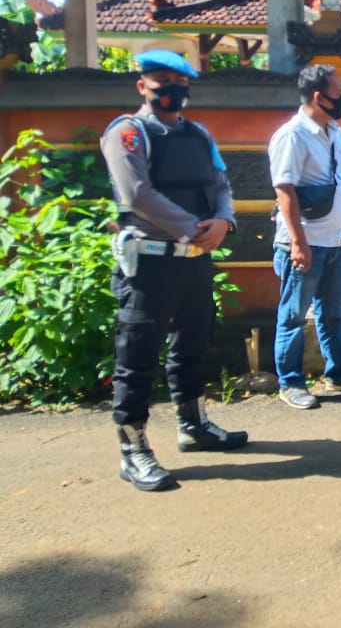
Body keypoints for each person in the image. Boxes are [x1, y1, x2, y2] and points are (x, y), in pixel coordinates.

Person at [101, 49, 247, 492]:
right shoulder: (129, 133)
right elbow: (137, 194)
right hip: (150, 262)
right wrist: (193, 229)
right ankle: (133, 450)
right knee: (137, 356)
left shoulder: (198, 134)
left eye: (181, 82)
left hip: (194, 259)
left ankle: (194, 425)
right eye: (162, 80)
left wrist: (223, 222)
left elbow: (220, 183)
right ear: (142, 85)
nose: (173, 89)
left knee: (192, 346)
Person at [269, 63, 341, 410]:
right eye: (337, 93)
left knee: (333, 312)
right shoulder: (293, 135)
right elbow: (285, 190)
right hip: (304, 242)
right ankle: (290, 382)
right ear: (318, 97)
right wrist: (297, 242)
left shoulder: (333, 131)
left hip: (333, 239)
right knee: (293, 315)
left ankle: (340, 372)